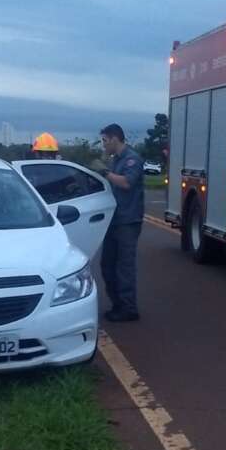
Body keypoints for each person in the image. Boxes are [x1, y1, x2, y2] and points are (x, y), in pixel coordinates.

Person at [95, 123, 144, 322]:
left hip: (127, 221)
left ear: (115, 139)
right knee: (107, 265)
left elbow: (126, 183)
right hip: (113, 220)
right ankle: (118, 304)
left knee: (124, 267)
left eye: (105, 141)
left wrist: (105, 172)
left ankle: (129, 308)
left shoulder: (132, 159)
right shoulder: (116, 160)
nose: (103, 145)